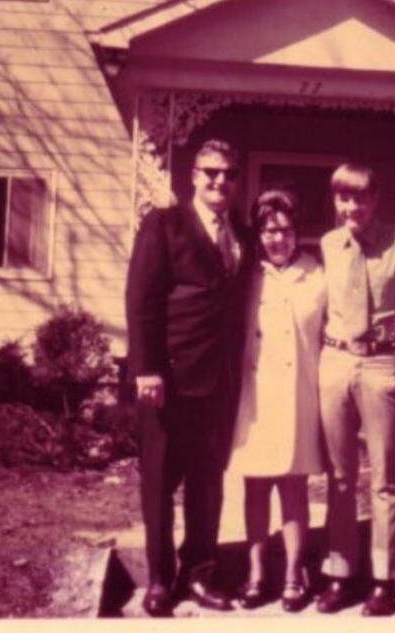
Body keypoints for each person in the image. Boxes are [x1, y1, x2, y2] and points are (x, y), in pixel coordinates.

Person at [125, 139, 253, 617]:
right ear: (194, 176)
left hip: (218, 383)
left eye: (230, 174)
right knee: (159, 483)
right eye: (211, 173)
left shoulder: (242, 232)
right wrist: (147, 369)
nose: (221, 181)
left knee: (208, 482)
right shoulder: (164, 224)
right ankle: (160, 580)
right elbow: (142, 302)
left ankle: (200, 570)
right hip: (168, 380)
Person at [314, 162, 395, 617]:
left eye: (360, 197)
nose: (352, 206)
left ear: (375, 199)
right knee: (339, 477)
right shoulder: (328, 245)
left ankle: (386, 577)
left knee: (386, 476)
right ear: (336, 201)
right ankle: (340, 572)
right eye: (344, 198)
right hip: (335, 362)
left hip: (380, 363)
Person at [228, 188, 326, 612]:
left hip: (298, 396)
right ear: (259, 234)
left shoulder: (316, 276)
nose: (277, 239)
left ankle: (293, 573)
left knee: (293, 487)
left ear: (297, 233)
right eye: (269, 230)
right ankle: (255, 573)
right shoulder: (246, 275)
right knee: (254, 486)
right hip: (254, 397)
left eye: (285, 230)